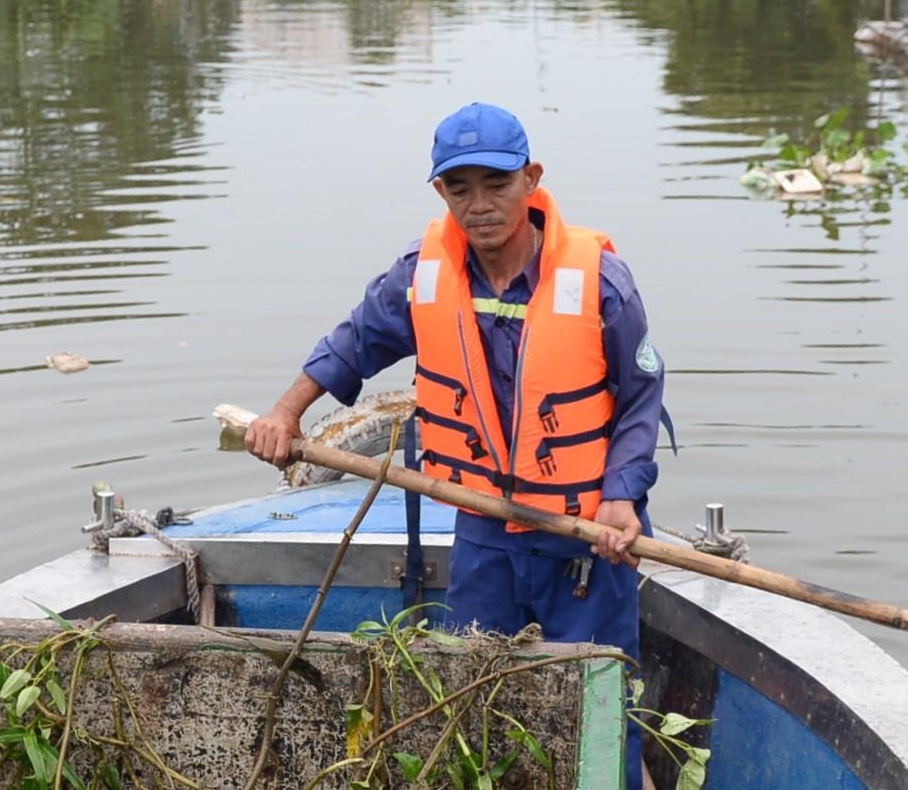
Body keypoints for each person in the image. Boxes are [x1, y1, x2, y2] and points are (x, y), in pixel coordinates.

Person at [244, 101, 668, 678]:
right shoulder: (423, 276)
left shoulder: (599, 283)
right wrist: (285, 412)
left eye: (497, 184)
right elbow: (354, 341)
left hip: (585, 537)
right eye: (461, 188)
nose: (480, 205)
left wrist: (622, 494)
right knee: (474, 696)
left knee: (597, 696)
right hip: (484, 528)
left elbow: (641, 397)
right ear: (441, 192)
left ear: (532, 179)